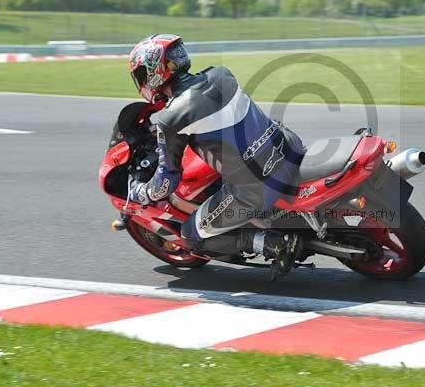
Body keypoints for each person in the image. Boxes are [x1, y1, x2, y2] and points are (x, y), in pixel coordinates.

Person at [126, 34, 305, 277]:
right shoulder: (221, 74)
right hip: (287, 147)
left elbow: (166, 183)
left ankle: (274, 243)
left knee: (191, 235)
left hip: (256, 188)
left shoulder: (172, 118)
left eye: (141, 74)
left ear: (154, 71)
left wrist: (141, 191)